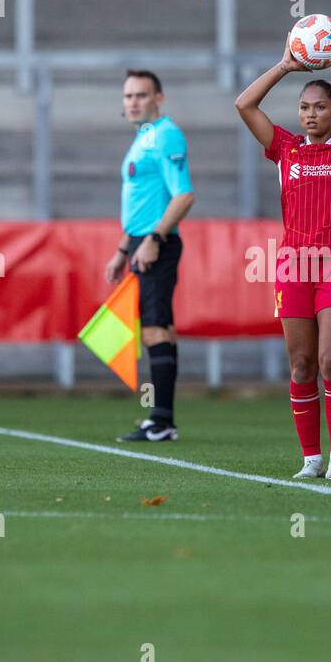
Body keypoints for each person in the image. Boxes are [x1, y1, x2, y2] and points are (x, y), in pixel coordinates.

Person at [234, 34, 331, 479]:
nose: (310, 114)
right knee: (301, 365)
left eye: (320, 107)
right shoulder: (286, 149)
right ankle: (310, 458)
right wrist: (284, 66)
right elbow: (244, 105)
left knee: (330, 362)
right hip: (293, 267)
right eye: (304, 107)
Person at [104, 70, 195, 442]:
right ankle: (162, 419)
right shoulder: (144, 137)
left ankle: (160, 420)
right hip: (141, 241)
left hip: (157, 242)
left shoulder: (166, 135)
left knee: (155, 329)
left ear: (159, 98)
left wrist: (154, 239)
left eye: (141, 95)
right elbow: (145, 203)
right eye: (128, 96)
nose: (133, 102)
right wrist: (123, 248)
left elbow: (184, 195)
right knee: (161, 329)